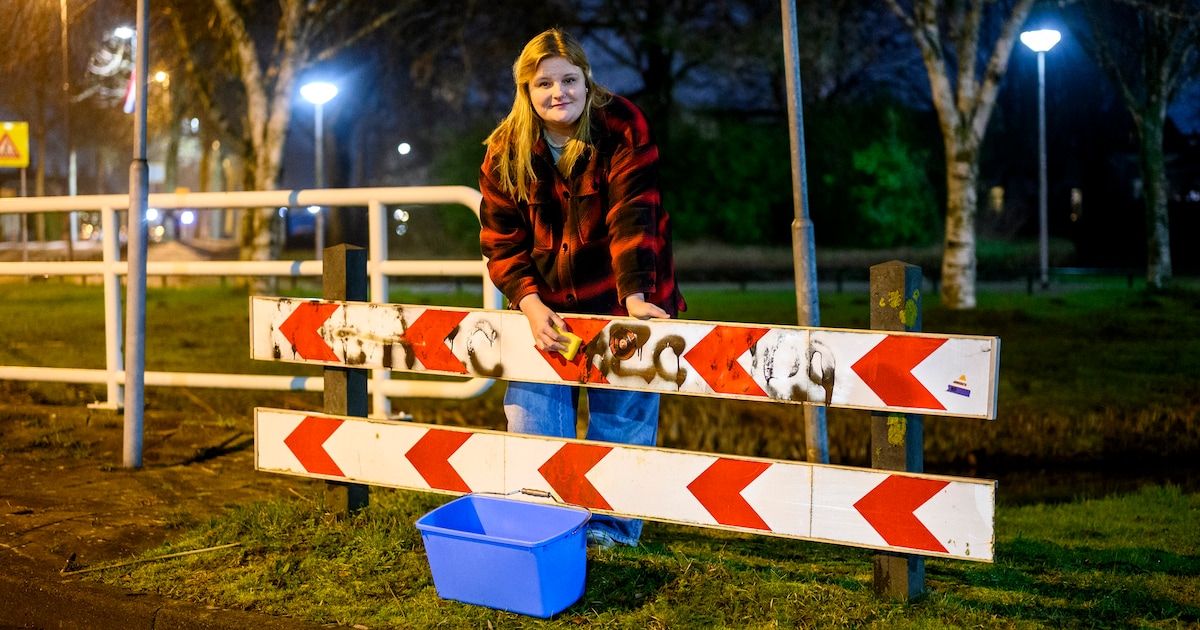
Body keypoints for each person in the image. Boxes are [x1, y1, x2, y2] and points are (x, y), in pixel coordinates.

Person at [478, 28, 685, 549]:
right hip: (546, 308)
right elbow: (501, 242)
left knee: (622, 422)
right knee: (534, 420)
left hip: (624, 296)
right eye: (544, 83)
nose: (558, 93)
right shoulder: (504, 151)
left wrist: (637, 297)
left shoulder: (622, 127)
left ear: (587, 81)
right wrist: (527, 303)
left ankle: (609, 536)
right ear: (525, 90)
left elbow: (634, 217)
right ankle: (540, 529)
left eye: (569, 79)